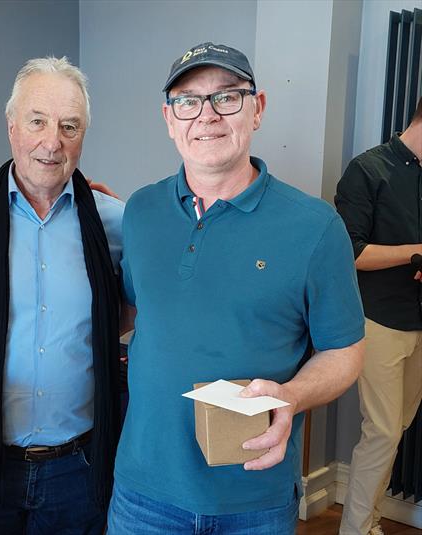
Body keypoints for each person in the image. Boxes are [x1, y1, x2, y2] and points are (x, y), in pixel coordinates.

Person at [108, 42, 365, 534]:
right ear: (168, 117)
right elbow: (139, 312)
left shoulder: (315, 227)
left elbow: (345, 352)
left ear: (258, 108)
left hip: (253, 501)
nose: (206, 115)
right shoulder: (140, 212)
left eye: (227, 96)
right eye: (188, 101)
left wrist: (291, 394)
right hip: (143, 496)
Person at [0, 56, 125, 534]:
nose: (53, 141)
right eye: (38, 121)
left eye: (70, 126)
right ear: (11, 126)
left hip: (79, 467)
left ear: (83, 136)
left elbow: (129, 312)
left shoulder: (113, 223)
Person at [336, 98, 422, 535]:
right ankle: (355, 530)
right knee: (384, 433)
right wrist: (416, 253)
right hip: (379, 319)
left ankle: (367, 524)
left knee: (396, 430)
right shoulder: (368, 170)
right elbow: (349, 253)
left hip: (419, 320)